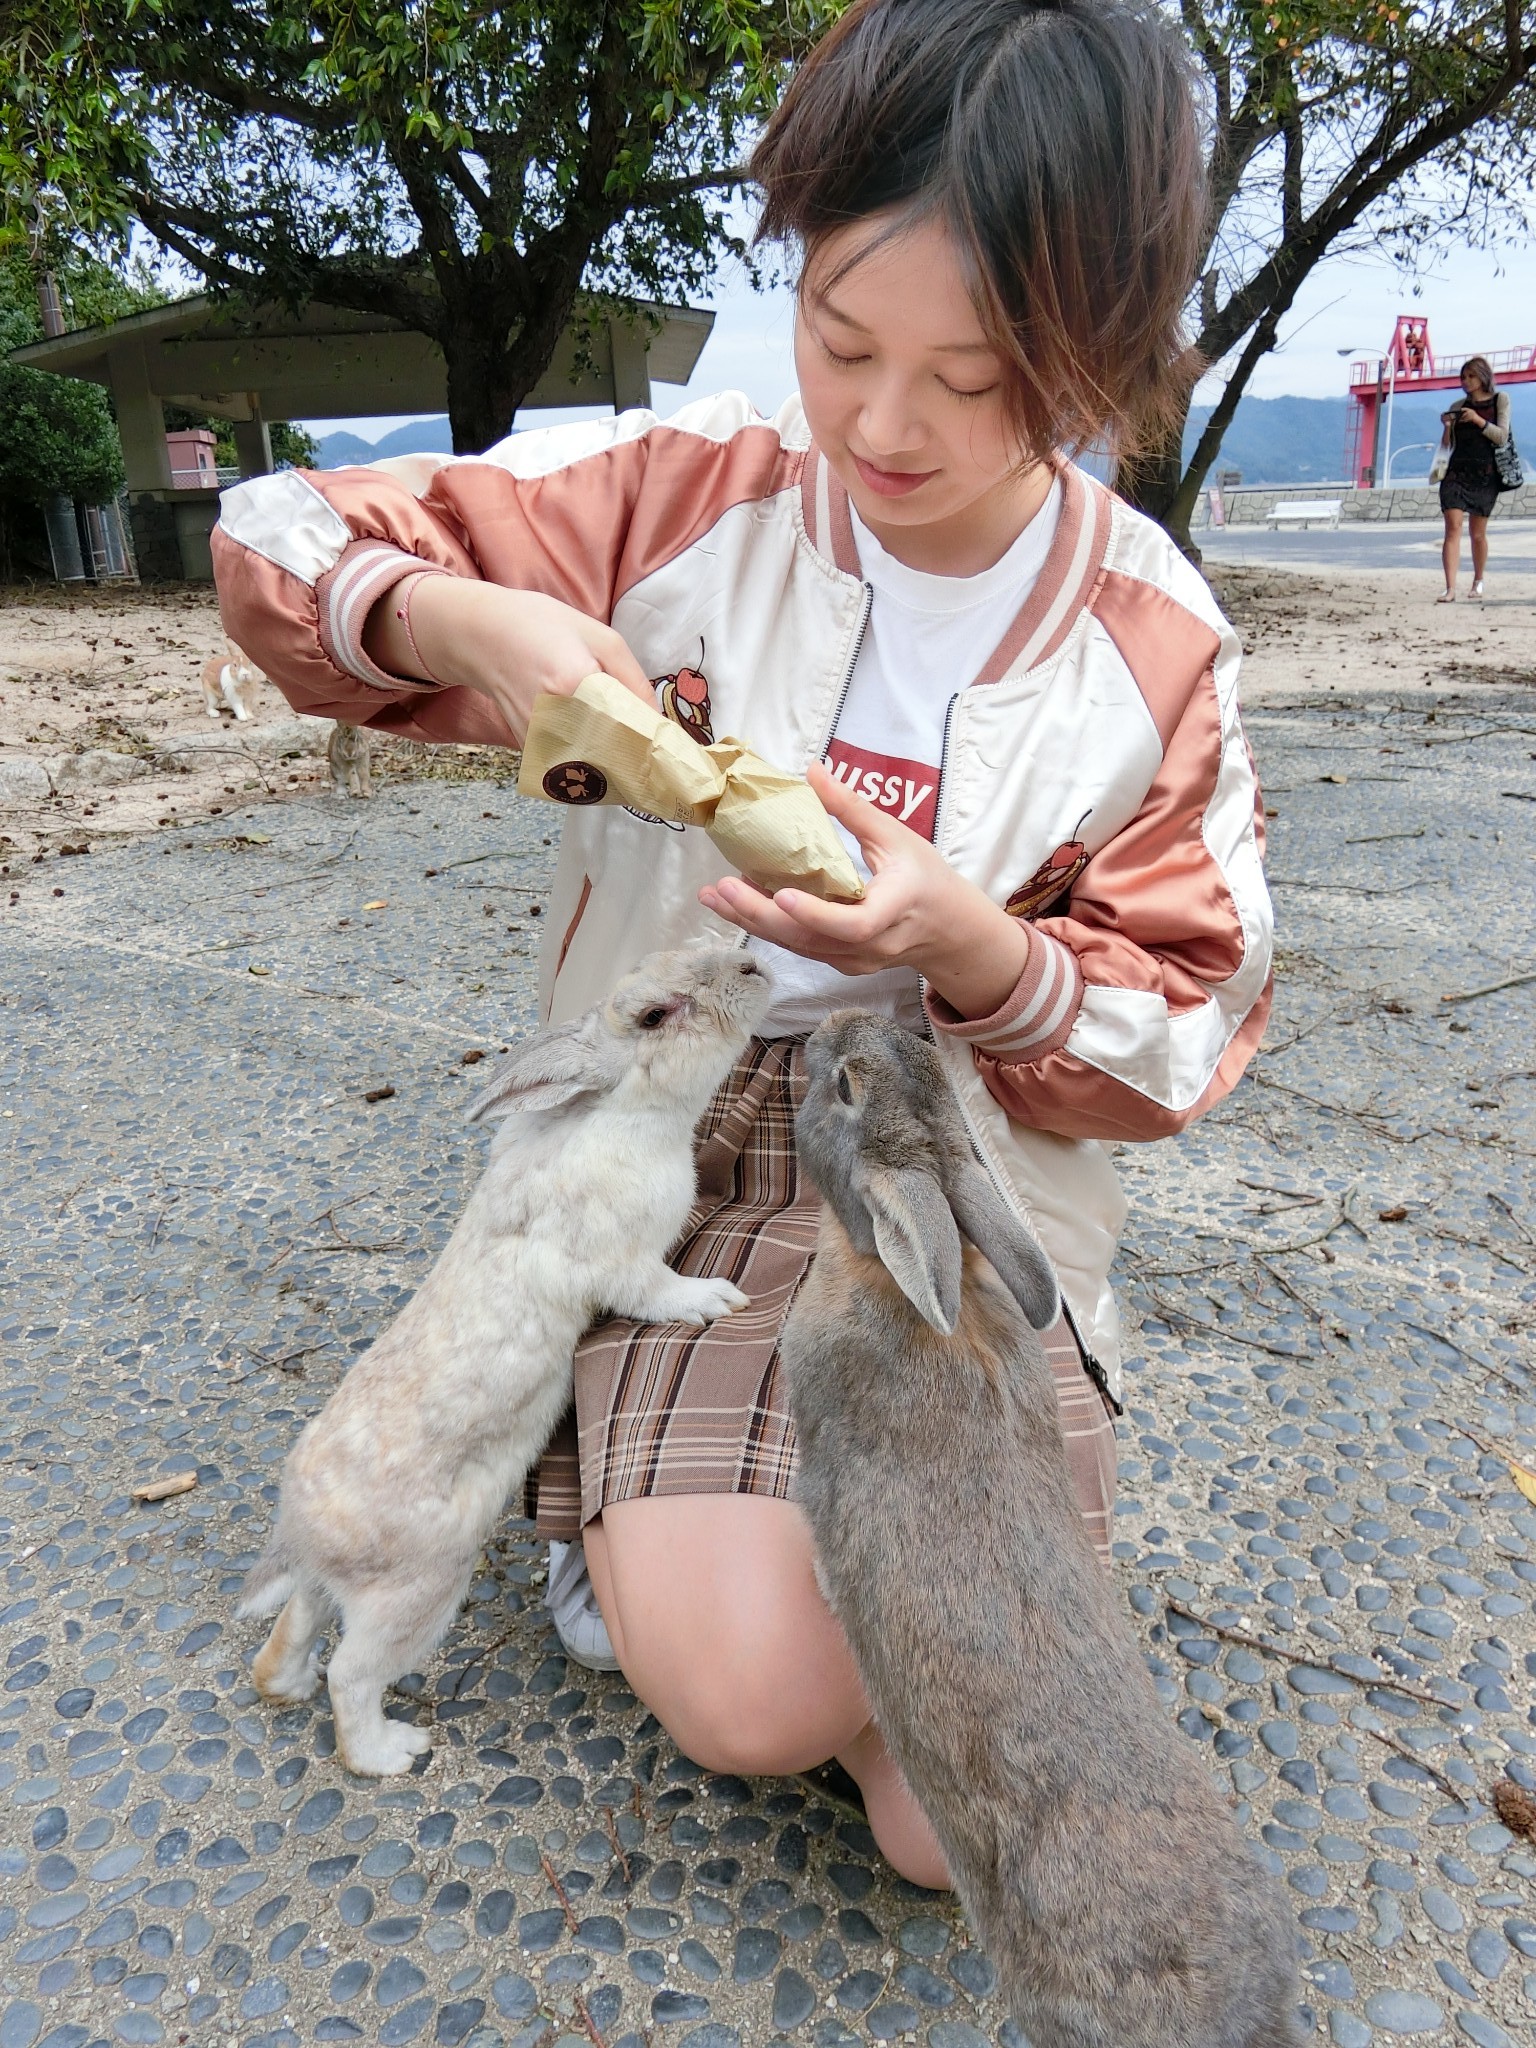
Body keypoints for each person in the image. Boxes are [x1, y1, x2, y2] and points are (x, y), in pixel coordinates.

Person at [212, 0, 1272, 1885]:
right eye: (842, 339)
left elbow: (1181, 1028)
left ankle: (795, 1563)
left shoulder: (1150, 637)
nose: (881, 424)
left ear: (1103, 347)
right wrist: (471, 630)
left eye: (980, 375)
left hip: (942, 1150)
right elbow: (282, 536)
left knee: (949, 1833)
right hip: (669, 1135)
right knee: (757, 1695)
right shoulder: (690, 491)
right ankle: (631, 1520)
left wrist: (977, 952)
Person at [1437, 355, 1512, 601]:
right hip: (1456, 472)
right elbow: (1447, 446)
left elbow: (1501, 436)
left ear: (1483, 376)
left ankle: (1478, 580)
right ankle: (1450, 588)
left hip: (1485, 474)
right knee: (1452, 528)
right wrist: (1448, 427)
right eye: (1463, 377)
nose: (1466, 381)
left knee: (1477, 533)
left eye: (1471, 376)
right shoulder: (1458, 404)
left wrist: (1478, 420)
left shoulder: (1500, 400)